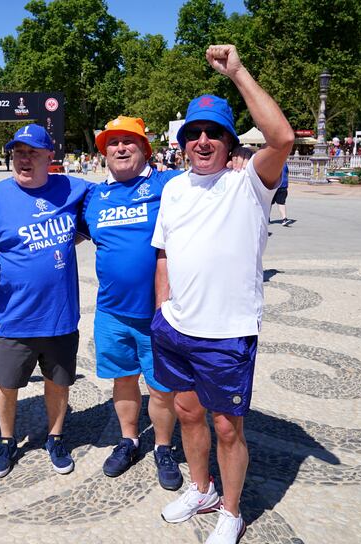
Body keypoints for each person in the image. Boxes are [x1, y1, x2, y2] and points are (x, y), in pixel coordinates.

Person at [152, 45, 293, 544]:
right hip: (176, 327)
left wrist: (237, 71)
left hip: (227, 332)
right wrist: (161, 312)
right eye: (194, 133)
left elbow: (282, 137)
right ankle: (202, 487)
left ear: (231, 142)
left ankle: (230, 511)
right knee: (188, 413)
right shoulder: (172, 189)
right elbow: (163, 252)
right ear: (183, 143)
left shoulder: (250, 183)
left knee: (228, 428)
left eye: (214, 132)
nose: (203, 140)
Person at [0, 124, 88, 478]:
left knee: (58, 382)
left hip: (60, 316)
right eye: (18, 151)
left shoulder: (74, 188)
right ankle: (6, 441)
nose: (24, 158)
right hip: (13, 318)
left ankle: (56, 436)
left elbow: (107, 208)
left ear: (51, 156)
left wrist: (64, 242)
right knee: (6, 384)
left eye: (33, 152)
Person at [78, 116, 184, 491]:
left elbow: (209, 181)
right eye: (113, 143)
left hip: (158, 313)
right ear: (103, 152)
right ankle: (129, 440)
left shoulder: (167, 183)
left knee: (160, 387)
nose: (121, 148)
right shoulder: (94, 197)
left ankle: (164, 447)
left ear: (146, 149)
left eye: (130, 142)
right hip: (111, 312)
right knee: (123, 382)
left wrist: (237, 157)